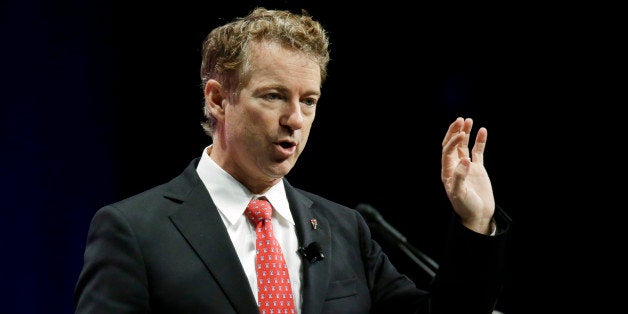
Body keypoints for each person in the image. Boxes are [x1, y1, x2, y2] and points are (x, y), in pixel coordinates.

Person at [74, 6, 511, 314]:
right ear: (218, 99)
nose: (295, 119)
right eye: (274, 96)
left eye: (309, 100)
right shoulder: (134, 230)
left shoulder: (344, 230)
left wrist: (475, 222)